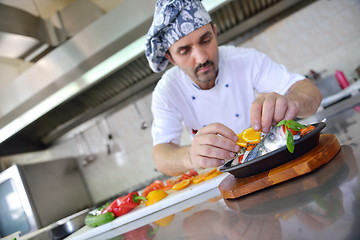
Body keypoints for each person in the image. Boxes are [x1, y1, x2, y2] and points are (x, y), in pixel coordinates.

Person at [145, 0, 322, 176]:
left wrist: (290, 102)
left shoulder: (245, 59)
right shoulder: (167, 90)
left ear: (215, 32)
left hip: (270, 162)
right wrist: (190, 156)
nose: (201, 58)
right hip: (219, 179)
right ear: (171, 58)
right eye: (184, 51)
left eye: (206, 40)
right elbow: (161, 157)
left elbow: (310, 92)